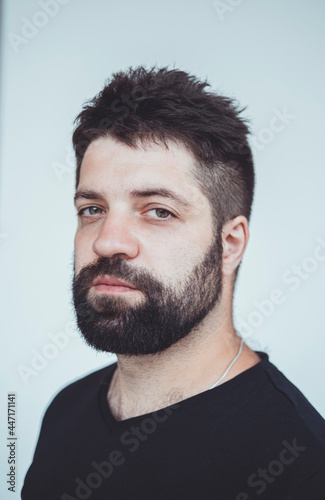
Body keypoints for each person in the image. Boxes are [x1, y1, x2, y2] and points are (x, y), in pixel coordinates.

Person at [22, 66, 325, 500]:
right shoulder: (65, 410)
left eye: (158, 211)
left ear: (230, 244)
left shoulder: (301, 466)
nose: (108, 242)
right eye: (92, 209)